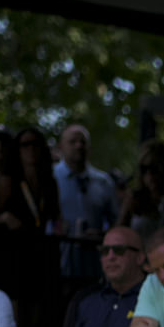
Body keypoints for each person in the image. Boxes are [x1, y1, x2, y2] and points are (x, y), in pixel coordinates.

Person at [0, 126, 64, 327]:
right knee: (17, 315)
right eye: (24, 145)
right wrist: (4, 219)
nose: (30, 150)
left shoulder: (49, 183)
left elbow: (55, 216)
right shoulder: (8, 181)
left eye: (34, 144)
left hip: (42, 254)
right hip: (14, 255)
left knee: (41, 315)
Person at [54, 122, 122, 287]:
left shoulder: (103, 182)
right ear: (61, 146)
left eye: (83, 141)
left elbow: (116, 222)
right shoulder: (51, 179)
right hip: (59, 266)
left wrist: (103, 235)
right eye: (72, 141)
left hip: (94, 269)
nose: (78, 146)